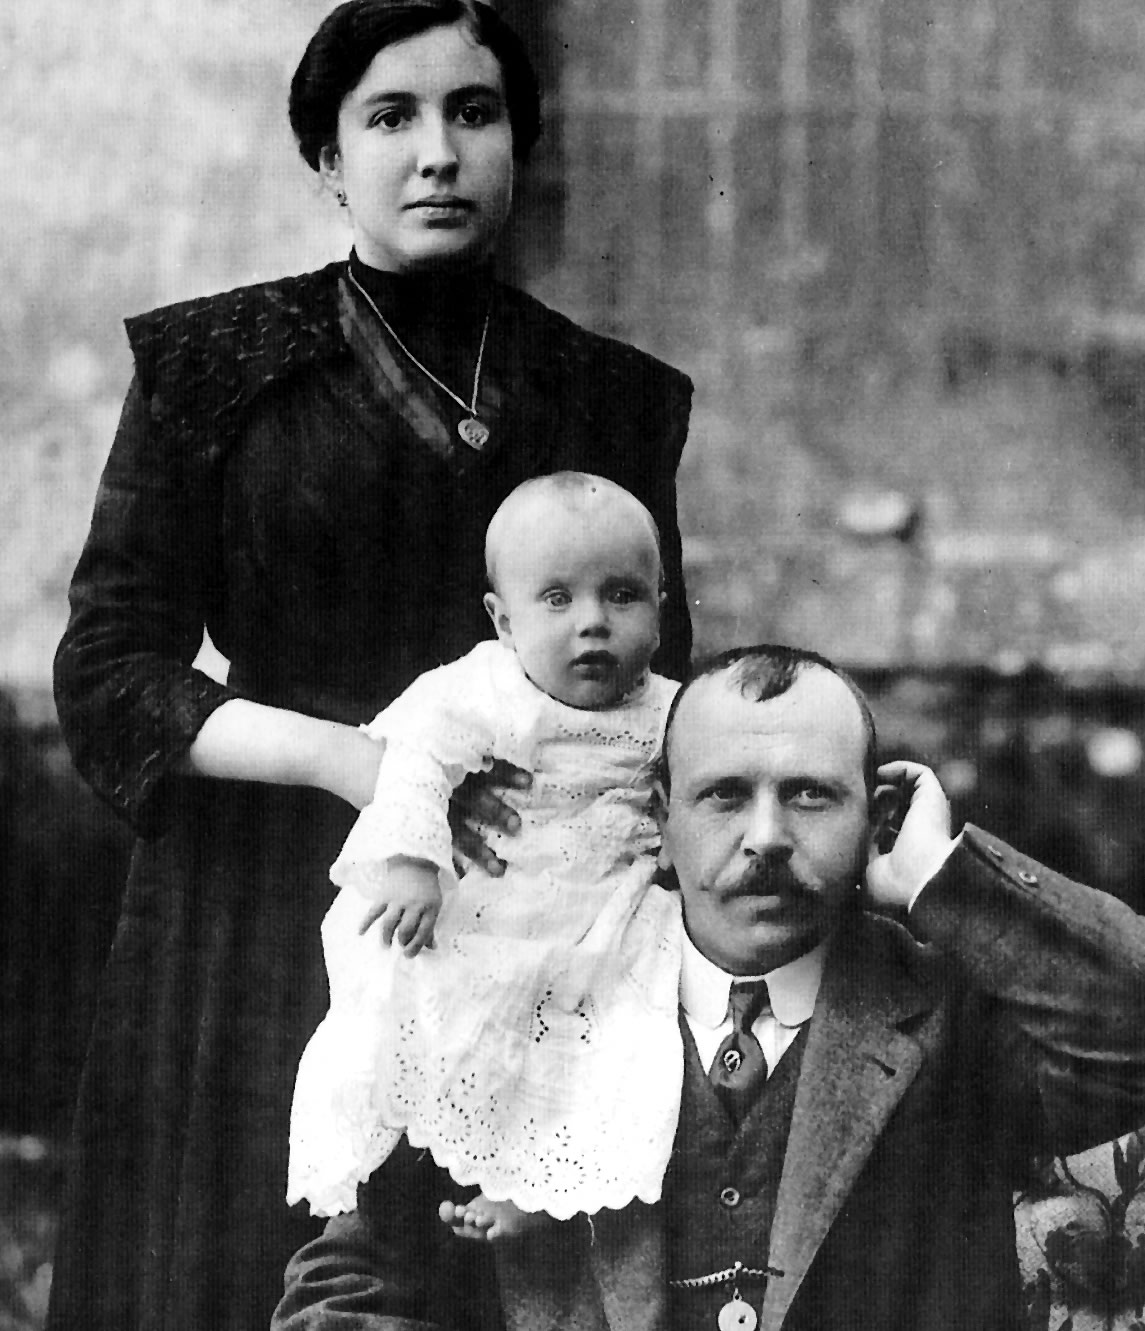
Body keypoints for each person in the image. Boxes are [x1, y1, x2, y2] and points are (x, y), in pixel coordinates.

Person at [47, 3, 692, 1327]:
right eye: (390, 118)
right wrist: (357, 761)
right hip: (260, 899)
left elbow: (651, 662)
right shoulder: (214, 365)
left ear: (520, 144)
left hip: (533, 921)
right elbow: (111, 667)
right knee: (232, 1264)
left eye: (474, 113)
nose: (437, 153)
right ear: (331, 161)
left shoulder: (607, 395)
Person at [274, 643, 1145, 1331]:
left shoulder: (941, 1015)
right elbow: (343, 1285)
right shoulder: (514, 1002)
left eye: (809, 795)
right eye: (725, 794)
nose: (765, 836)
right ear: (660, 817)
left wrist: (936, 877)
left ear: (873, 818)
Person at [289, 473, 685, 1237]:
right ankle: (397, 1177)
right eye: (559, 600)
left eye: (623, 595)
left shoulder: (668, 710)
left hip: (605, 917)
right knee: (428, 1002)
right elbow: (415, 754)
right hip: (490, 905)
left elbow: (706, 782)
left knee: (614, 1035)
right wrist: (410, 860)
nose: (593, 624)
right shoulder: (488, 687)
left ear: (662, 611)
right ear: (503, 621)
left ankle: (534, 1192)